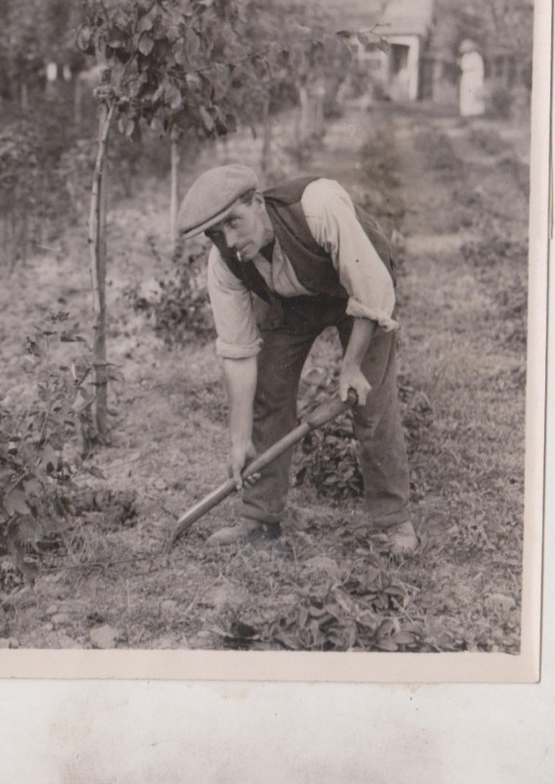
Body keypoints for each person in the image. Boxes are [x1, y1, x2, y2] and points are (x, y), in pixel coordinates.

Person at [177, 163, 417, 553]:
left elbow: (371, 295)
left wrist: (351, 365)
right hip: (292, 304)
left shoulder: (319, 207)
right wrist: (239, 440)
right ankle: (259, 519)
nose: (230, 241)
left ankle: (394, 522)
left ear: (257, 203)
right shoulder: (223, 264)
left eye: (235, 223)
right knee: (268, 394)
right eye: (216, 234)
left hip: (360, 292)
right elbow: (238, 354)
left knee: (370, 401)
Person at [458, 39, 486, 118]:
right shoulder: (464, 56)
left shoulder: (476, 56)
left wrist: (479, 82)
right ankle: (465, 112)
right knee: (465, 94)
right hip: (466, 77)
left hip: (473, 77)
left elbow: (480, 69)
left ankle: (474, 112)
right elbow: (463, 67)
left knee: (472, 94)